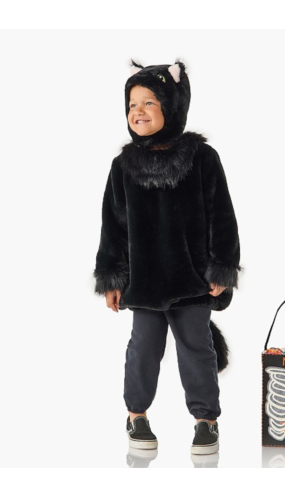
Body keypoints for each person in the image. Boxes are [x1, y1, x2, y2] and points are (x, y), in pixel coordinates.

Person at [93, 60, 242, 456]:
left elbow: (222, 215)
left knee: (196, 346)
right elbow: (113, 225)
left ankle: (206, 420)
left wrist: (221, 267)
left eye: (149, 102)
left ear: (172, 106)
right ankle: (136, 415)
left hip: (193, 278)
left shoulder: (202, 158)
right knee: (144, 347)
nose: (138, 111)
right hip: (144, 280)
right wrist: (112, 277)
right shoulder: (123, 166)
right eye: (132, 104)